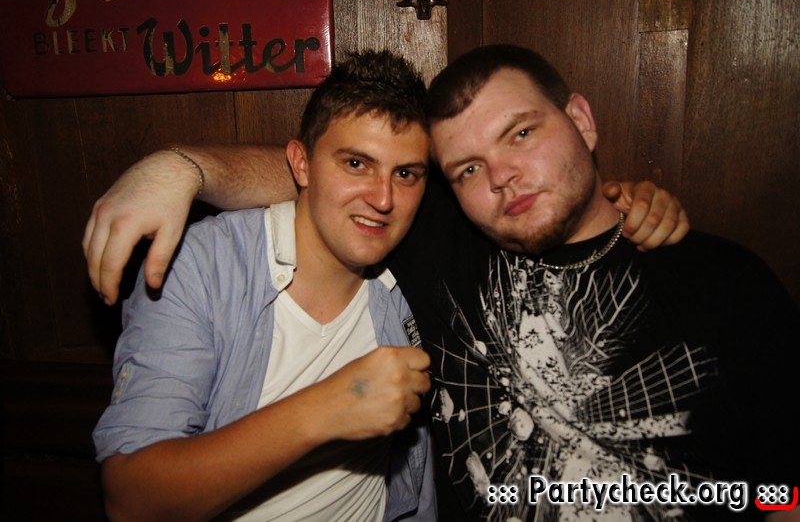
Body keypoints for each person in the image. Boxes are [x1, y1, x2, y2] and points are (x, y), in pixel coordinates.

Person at [82, 45, 744, 521]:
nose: (383, 198)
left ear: (582, 121)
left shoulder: (721, 280)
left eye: (522, 134)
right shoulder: (218, 265)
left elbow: (782, 494)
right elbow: (131, 499)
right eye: (468, 168)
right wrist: (180, 167)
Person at [91, 50, 437, 521]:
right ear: (301, 164)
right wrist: (327, 409)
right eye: (356, 163)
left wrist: (188, 168)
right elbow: (132, 499)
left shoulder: (414, 258)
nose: (383, 198)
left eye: (406, 174)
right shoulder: (205, 267)